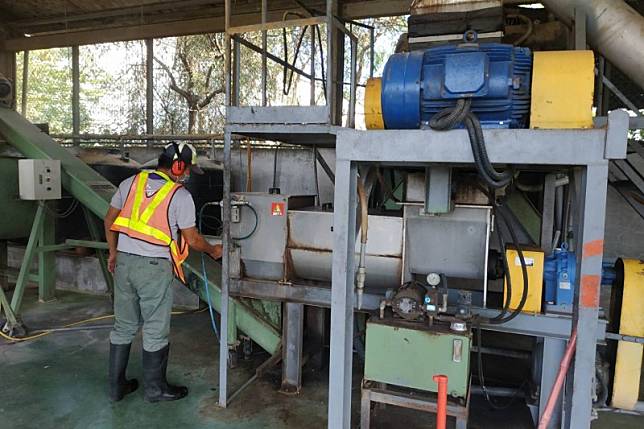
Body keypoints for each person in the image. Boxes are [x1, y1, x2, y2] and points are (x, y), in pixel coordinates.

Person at [104, 142, 222, 403]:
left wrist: (113, 253)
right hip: (153, 269)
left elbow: (109, 220)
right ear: (178, 166)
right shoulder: (180, 196)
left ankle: (116, 388)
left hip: (123, 263)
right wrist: (213, 250)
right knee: (155, 329)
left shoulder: (130, 183)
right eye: (187, 168)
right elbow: (191, 239)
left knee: (123, 326)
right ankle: (155, 389)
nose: (188, 173)